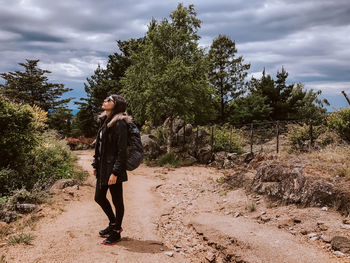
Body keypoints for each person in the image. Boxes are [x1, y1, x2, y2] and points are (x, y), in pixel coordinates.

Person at [92, 94, 131, 245]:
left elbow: (122, 151)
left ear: (116, 105)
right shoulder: (104, 121)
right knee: (99, 197)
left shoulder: (119, 124)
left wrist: (115, 172)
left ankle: (116, 232)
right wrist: (96, 163)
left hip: (114, 168)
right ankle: (113, 223)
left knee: (117, 200)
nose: (105, 101)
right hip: (103, 167)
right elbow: (100, 146)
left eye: (109, 100)